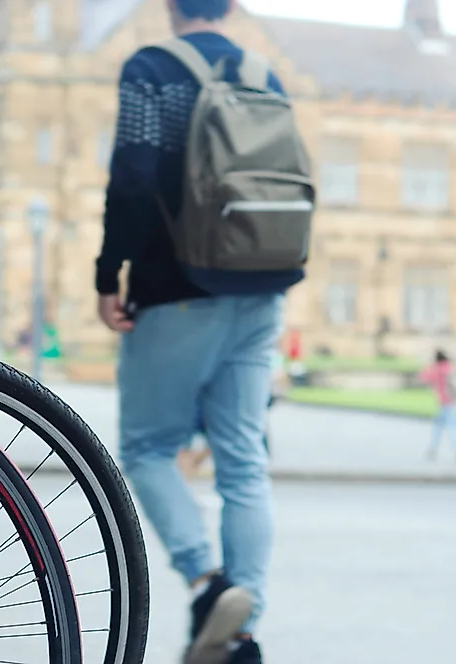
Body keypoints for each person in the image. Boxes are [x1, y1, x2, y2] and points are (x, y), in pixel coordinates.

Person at [96, 1, 296, 661]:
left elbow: (133, 174)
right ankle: (242, 632)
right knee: (244, 462)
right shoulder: (266, 74)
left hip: (178, 287)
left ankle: (210, 587)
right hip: (263, 286)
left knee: (150, 448)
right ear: (231, 6)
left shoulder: (153, 67)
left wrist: (109, 274)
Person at [420, 350, 456, 463]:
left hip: (444, 402)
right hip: (451, 401)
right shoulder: (451, 367)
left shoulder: (437, 369)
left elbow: (423, 377)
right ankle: (434, 449)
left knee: (450, 426)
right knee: (441, 426)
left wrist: (429, 366)